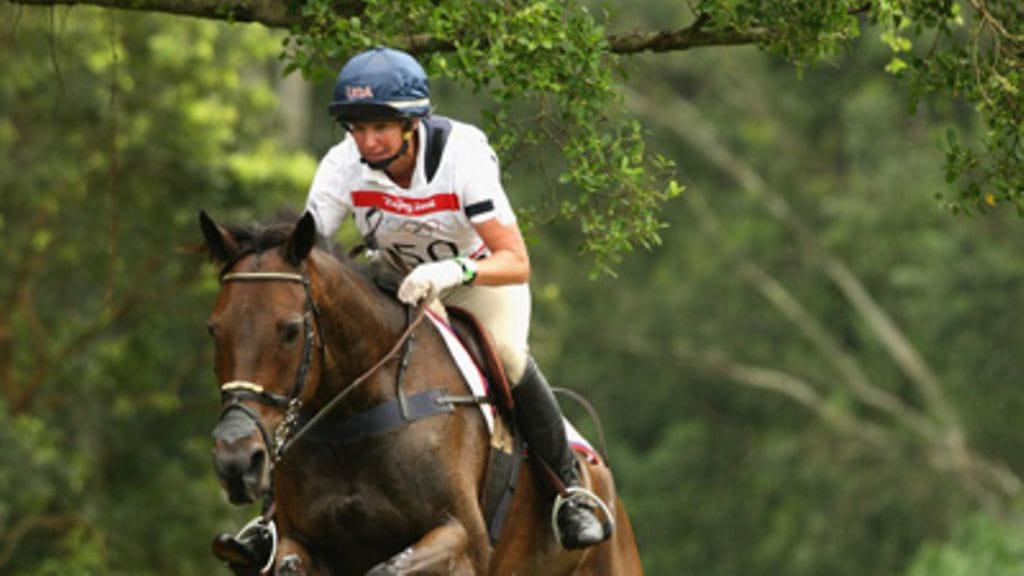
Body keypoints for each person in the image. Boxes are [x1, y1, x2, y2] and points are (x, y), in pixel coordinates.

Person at [213, 46, 611, 572]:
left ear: (412, 122)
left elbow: (515, 260)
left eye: (381, 126)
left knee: (510, 356)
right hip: (396, 283)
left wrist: (455, 273)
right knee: (317, 366)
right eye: (356, 127)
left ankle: (568, 492)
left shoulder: (460, 156)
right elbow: (303, 253)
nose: (367, 141)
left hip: (478, 277)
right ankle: (273, 518)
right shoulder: (342, 166)